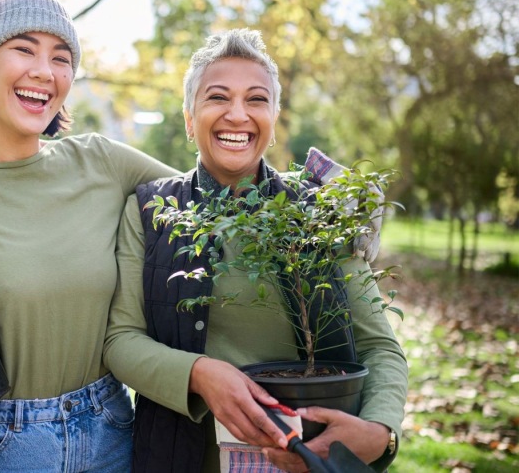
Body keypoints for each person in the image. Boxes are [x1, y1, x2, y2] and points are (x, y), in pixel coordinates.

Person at [0, 0, 383, 471]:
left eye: (61, 58)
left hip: (116, 431)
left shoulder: (100, 161)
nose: (43, 72)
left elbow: (223, 190)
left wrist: (327, 202)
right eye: (23, 49)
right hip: (1, 446)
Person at [102, 28, 408, 473]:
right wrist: (199, 374)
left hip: (308, 456)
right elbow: (120, 340)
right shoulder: (150, 211)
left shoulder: (320, 213)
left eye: (257, 100)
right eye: (218, 97)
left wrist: (381, 430)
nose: (237, 114)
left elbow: (378, 345)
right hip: (178, 456)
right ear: (190, 119)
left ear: (275, 118)